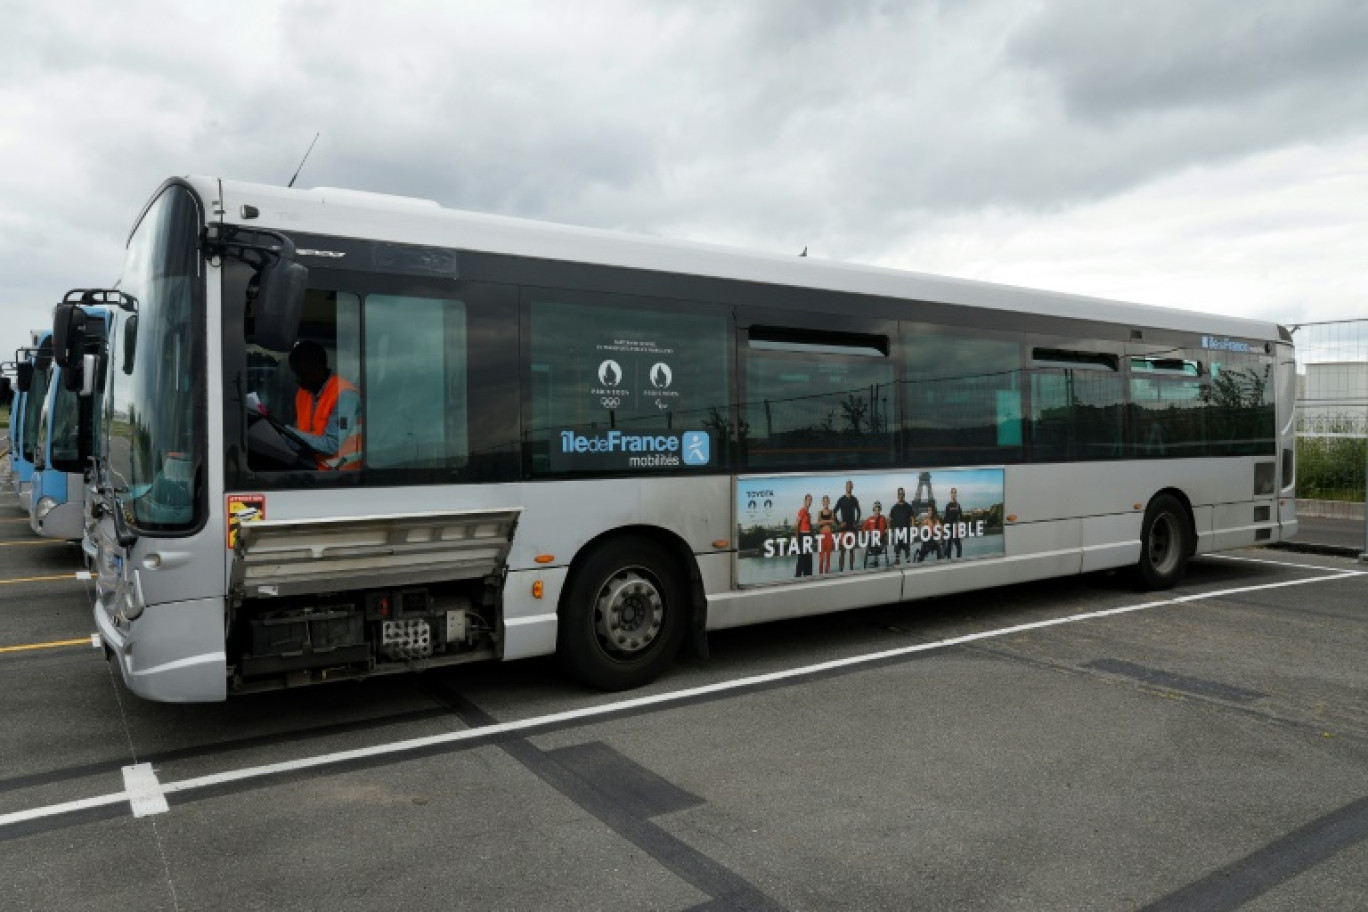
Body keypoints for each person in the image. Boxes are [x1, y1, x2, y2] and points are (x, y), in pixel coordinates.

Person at [288, 340, 363, 471]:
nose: (297, 380)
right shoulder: (303, 392)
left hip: (342, 477)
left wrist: (290, 433)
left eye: (302, 374)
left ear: (318, 370)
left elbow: (331, 445)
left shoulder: (345, 396)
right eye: (296, 374)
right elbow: (301, 430)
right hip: (311, 467)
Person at [834, 479, 862, 571]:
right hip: (844, 530)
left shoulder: (854, 499)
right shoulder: (841, 499)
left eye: (850, 485)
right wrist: (838, 523)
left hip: (852, 529)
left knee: (851, 551)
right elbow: (834, 512)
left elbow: (859, 512)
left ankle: (851, 569)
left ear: (852, 487)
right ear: (845, 487)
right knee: (842, 552)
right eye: (847, 485)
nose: (849, 487)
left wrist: (856, 522)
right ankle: (841, 570)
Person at [888, 486, 915, 565]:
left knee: (907, 555)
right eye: (899, 494)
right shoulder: (894, 508)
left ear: (904, 495)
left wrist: (913, 533)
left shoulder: (908, 507)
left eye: (902, 494)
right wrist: (890, 533)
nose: (901, 495)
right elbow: (889, 520)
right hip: (897, 534)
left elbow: (912, 519)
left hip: (906, 534)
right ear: (897, 495)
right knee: (897, 556)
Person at [862, 501, 889, 568]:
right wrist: (867, 532)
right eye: (875, 510)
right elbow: (863, 528)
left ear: (880, 510)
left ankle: (876, 559)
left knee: (881, 543)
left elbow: (887, 527)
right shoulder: (870, 519)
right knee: (872, 541)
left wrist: (886, 532)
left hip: (881, 540)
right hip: (872, 540)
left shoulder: (883, 518)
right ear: (873, 510)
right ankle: (875, 559)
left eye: (878, 510)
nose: (877, 512)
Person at [794, 493, 814, 577]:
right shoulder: (802, 511)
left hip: (808, 538)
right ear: (805, 501)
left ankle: (808, 577)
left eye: (810, 500)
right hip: (802, 537)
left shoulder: (808, 514)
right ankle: (797, 578)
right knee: (801, 560)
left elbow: (810, 527)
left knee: (809, 561)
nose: (809, 502)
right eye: (808, 500)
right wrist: (797, 539)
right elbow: (796, 525)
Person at [817, 494, 836, 574]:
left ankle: (827, 573)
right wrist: (827, 521)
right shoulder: (820, 512)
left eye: (827, 501)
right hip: (822, 535)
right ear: (822, 502)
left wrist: (823, 522)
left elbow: (832, 521)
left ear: (829, 502)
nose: (825, 503)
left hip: (829, 534)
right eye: (824, 501)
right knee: (821, 557)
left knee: (828, 556)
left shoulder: (831, 511)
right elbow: (818, 523)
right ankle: (820, 574)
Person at [943, 486, 964, 559]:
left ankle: (958, 562)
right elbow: (945, 519)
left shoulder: (958, 506)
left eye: (955, 492)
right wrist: (944, 530)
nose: (954, 494)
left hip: (956, 530)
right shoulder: (948, 506)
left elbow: (960, 518)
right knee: (949, 548)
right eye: (952, 492)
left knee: (959, 547)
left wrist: (959, 530)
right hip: (949, 529)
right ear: (950, 494)